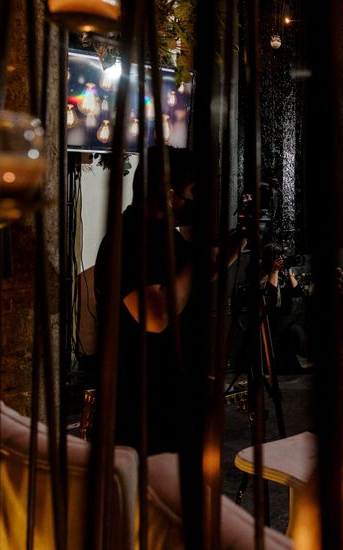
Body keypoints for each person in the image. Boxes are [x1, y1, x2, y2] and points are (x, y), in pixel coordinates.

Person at [94, 146, 245, 454]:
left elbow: (197, 275)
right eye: (193, 192)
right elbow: (156, 314)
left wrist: (238, 240)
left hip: (173, 400)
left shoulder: (167, 236)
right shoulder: (129, 239)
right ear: (168, 191)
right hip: (141, 410)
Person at [261, 243, 308, 371]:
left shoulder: (283, 276)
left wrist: (290, 273)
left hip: (287, 322)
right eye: (277, 256)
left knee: (298, 331)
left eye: (282, 256)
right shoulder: (264, 275)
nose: (281, 259)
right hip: (272, 323)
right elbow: (271, 299)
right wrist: (274, 271)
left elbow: (298, 292)